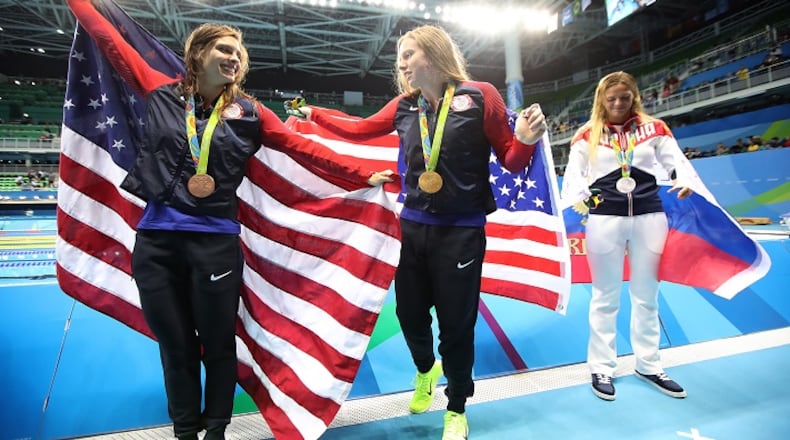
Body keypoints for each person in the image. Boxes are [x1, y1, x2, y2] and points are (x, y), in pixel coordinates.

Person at [65, 1, 394, 439]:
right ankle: (185, 431)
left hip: (214, 243)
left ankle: (217, 429)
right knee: (176, 347)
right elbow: (111, 42)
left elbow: (303, 150)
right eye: (223, 48)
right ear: (198, 54)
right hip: (156, 245)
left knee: (218, 346)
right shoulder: (160, 93)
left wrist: (361, 174)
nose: (234, 57)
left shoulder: (252, 114)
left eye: (239, 52)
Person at [296, 24, 547, 440]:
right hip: (412, 228)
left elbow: (512, 160)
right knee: (410, 315)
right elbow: (359, 129)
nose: (401, 62)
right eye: (400, 55)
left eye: (408, 53)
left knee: (456, 325)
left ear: (431, 54)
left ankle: (457, 407)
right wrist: (313, 114)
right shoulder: (405, 106)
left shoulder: (481, 94)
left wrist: (524, 141)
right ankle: (426, 370)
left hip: (461, 232)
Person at [561, 71, 692, 402]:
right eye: (611, 98)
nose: (618, 103)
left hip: (650, 217)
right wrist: (580, 201)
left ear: (634, 97)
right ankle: (601, 366)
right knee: (605, 297)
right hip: (605, 219)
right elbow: (573, 178)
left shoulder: (655, 129)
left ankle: (649, 364)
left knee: (647, 295)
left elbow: (677, 163)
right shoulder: (586, 135)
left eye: (625, 97)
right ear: (601, 101)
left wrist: (684, 179)